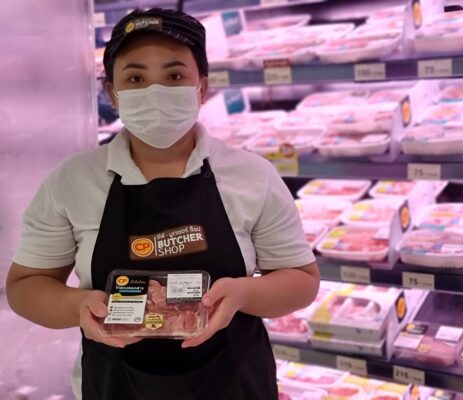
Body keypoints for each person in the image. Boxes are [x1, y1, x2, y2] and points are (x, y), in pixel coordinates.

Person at [5, 8, 319, 400]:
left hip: (236, 383)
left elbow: (301, 280)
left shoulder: (252, 175)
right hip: (114, 385)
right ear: (112, 94)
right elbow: (25, 286)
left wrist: (243, 294)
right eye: (136, 78)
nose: (155, 93)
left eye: (173, 76)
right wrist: (80, 306)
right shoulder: (73, 180)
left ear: (201, 89)